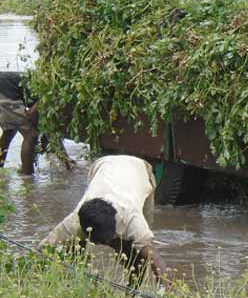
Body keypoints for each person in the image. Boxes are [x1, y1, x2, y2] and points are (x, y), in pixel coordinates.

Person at [40, 155, 167, 286]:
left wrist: (165, 289)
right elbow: (45, 248)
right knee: (74, 244)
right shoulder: (75, 221)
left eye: (108, 241)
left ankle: (133, 293)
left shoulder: (133, 220)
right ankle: (76, 280)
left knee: (137, 253)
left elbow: (154, 257)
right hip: (103, 165)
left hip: (140, 170)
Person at [0, 71, 38, 175]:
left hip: (4, 92)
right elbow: (31, 112)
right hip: (5, 94)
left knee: (9, 131)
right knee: (31, 135)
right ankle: (27, 176)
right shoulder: (46, 89)